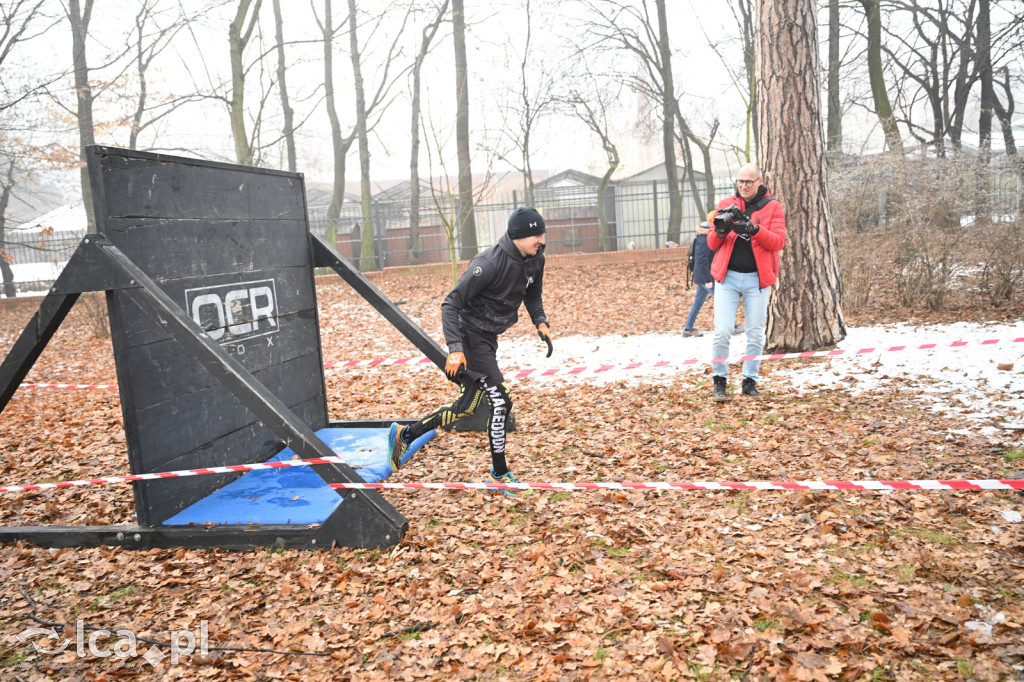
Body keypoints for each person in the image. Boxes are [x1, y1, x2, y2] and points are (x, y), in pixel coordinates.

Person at [386, 206, 552, 497]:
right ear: (519, 235)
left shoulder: (536, 259)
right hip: (469, 337)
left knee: (469, 406)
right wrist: (455, 349)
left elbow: (533, 293)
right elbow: (451, 304)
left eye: (542, 233)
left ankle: (406, 434)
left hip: (488, 337)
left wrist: (541, 321)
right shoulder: (487, 264)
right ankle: (499, 475)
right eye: (536, 235)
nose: (542, 239)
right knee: (500, 402)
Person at [706, 163, 786, 401]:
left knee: (755, 333)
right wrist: (722, 230)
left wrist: (754, 229)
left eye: (749, 182)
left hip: (757, 279)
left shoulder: (772, 207)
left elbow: (778, 242)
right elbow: (711, 243)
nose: (744, 186)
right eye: (740, 181)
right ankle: (719, 381)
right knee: (722, 331)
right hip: (727, 278)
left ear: (760, 182)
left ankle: (749, 381)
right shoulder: (725, 205)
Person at [683, 221, 714, 338]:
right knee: (722, 301)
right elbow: (702, 261)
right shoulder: (705, 240)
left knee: (697, 303)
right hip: (705, 278)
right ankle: (733, 326)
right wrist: (707, 280)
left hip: (702, 277)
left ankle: (688, 328)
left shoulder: (701, 238)